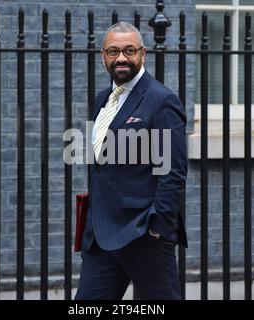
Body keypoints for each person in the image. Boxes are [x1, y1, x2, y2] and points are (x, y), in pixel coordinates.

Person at [75, 21, 188, 300]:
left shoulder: (161, 100)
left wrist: (157, 228)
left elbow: (172, 172)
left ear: (143, 54)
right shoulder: (102, 99)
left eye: (129, 51)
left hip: (142, 233)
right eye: (113, 51)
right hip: (101, 236)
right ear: (103, 56)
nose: (121, 58)